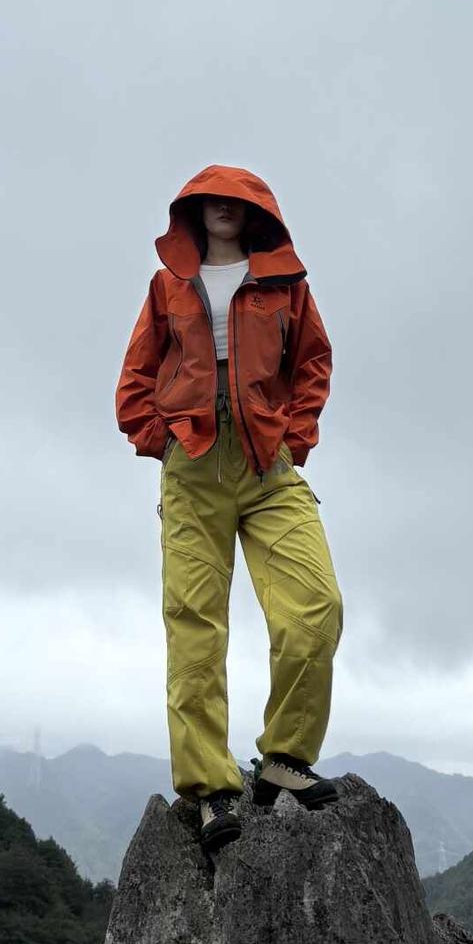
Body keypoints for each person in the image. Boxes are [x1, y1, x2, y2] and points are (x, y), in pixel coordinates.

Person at [116, 166, 344, 852]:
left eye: (236, 201)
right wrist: (159, 440)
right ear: (192, 211)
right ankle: (212, 789)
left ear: (254, 214)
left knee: (315, 606)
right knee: (194, 625)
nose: (222, 208)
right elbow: (134, 376)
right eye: (210, 200)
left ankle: (284, 758)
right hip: (192, 465)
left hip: (267, 464)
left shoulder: (286, 284)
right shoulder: (168, 285)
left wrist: (296, 437)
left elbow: (314, 362)